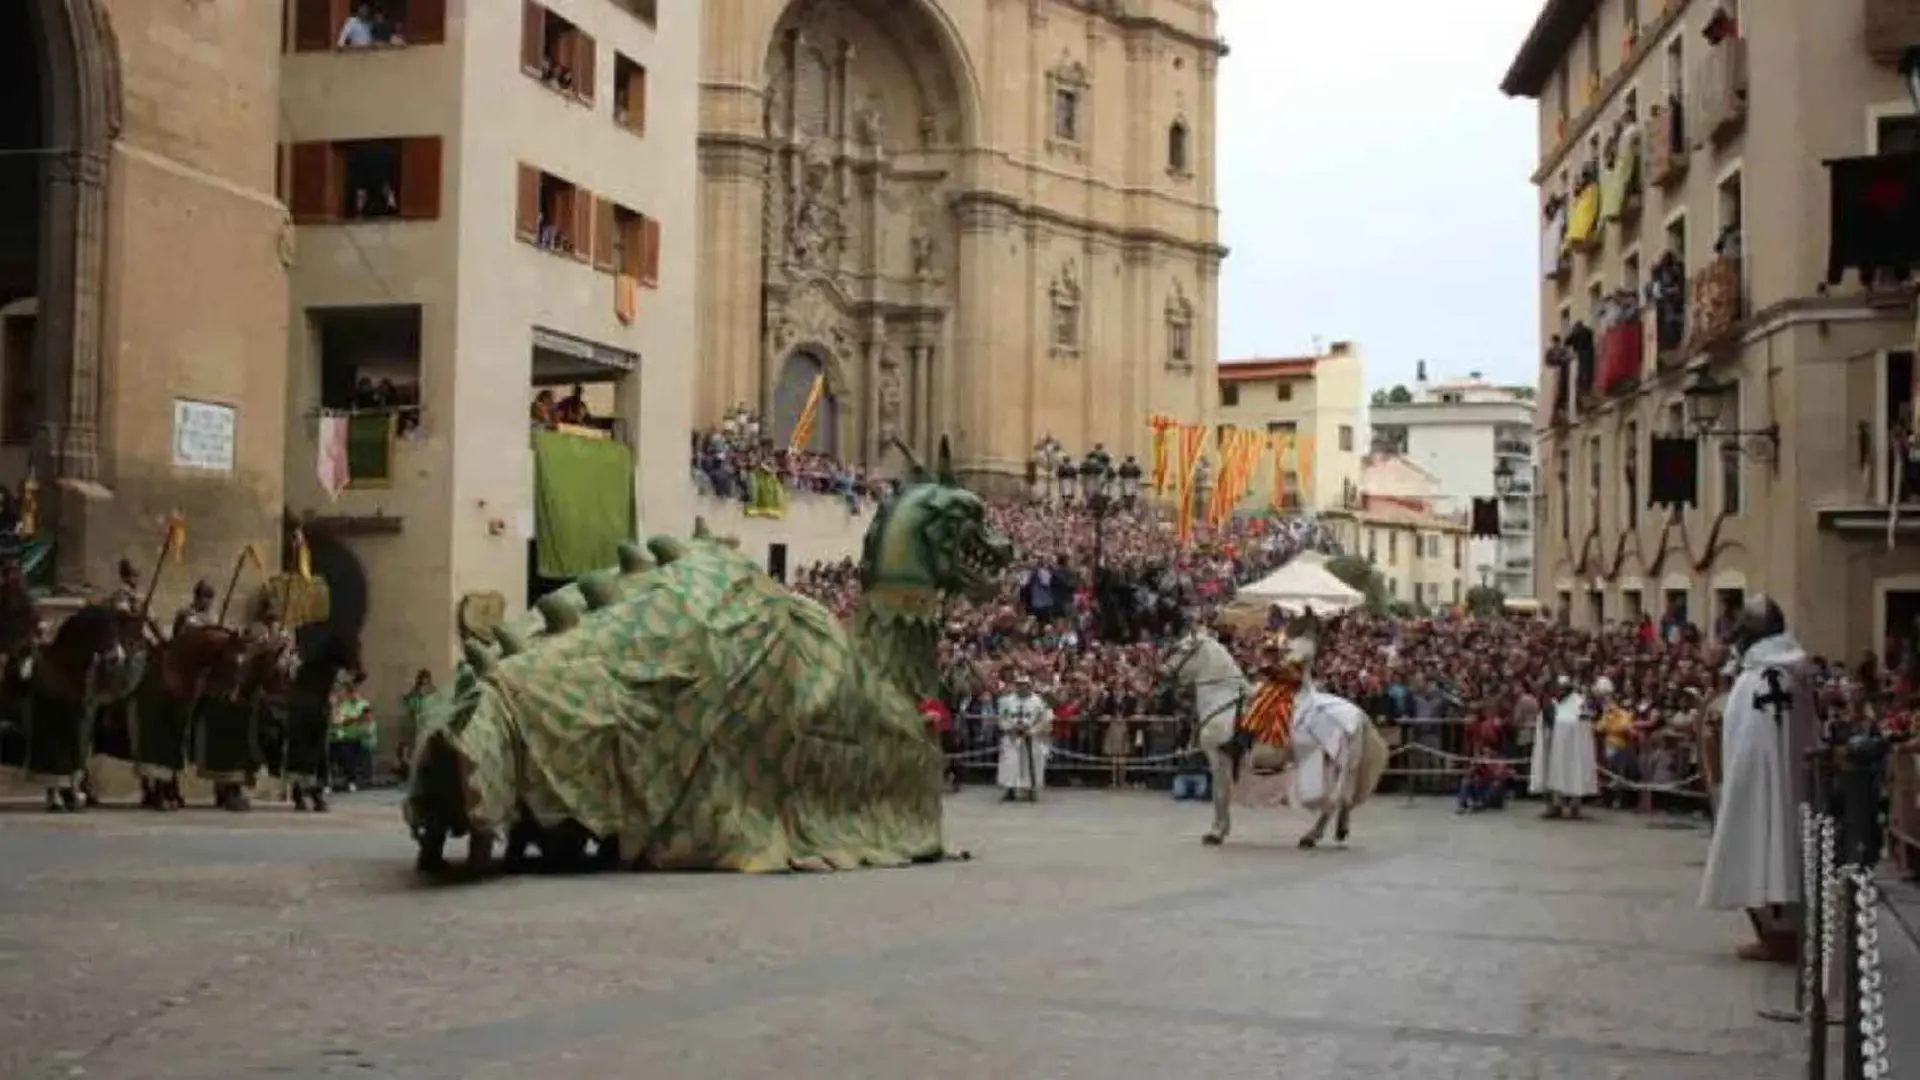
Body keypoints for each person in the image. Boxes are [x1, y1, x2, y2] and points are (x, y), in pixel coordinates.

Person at [1699, 595, 1820, 964]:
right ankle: (1785, 931)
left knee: (1758, 846)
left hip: (1754, 787)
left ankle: (1778, 937)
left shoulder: (1754, 679)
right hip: (1793, 788)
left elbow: (1744, 746)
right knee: (1785, 847)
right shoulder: (1796, 676)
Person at [1530, 674, 1602, 818]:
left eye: (1563, 689)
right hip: (1554, 745)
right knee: (1553, 772)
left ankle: (1575, 805)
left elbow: (1591, 715)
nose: (1560, 692)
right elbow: (1547, 719)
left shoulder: (1579, 702)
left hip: (1574, 747)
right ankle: (1555, 805)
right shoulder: (1552, 703)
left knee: (1574, 771)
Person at [995, 674, 1052, 802]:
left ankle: (1030, 789)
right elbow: (1001, 718)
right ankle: (1010, 789)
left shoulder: (1038, 701)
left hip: (1032, 737)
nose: (1022, 688)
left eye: (1024, 685)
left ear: (1029, 686)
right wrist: (1009, 727)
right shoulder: (1007, 701)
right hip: (1012, 736)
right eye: (1019, 685)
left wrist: (1033, 730)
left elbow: (1045, 719)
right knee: (1010, 762)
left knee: (1031, 763)